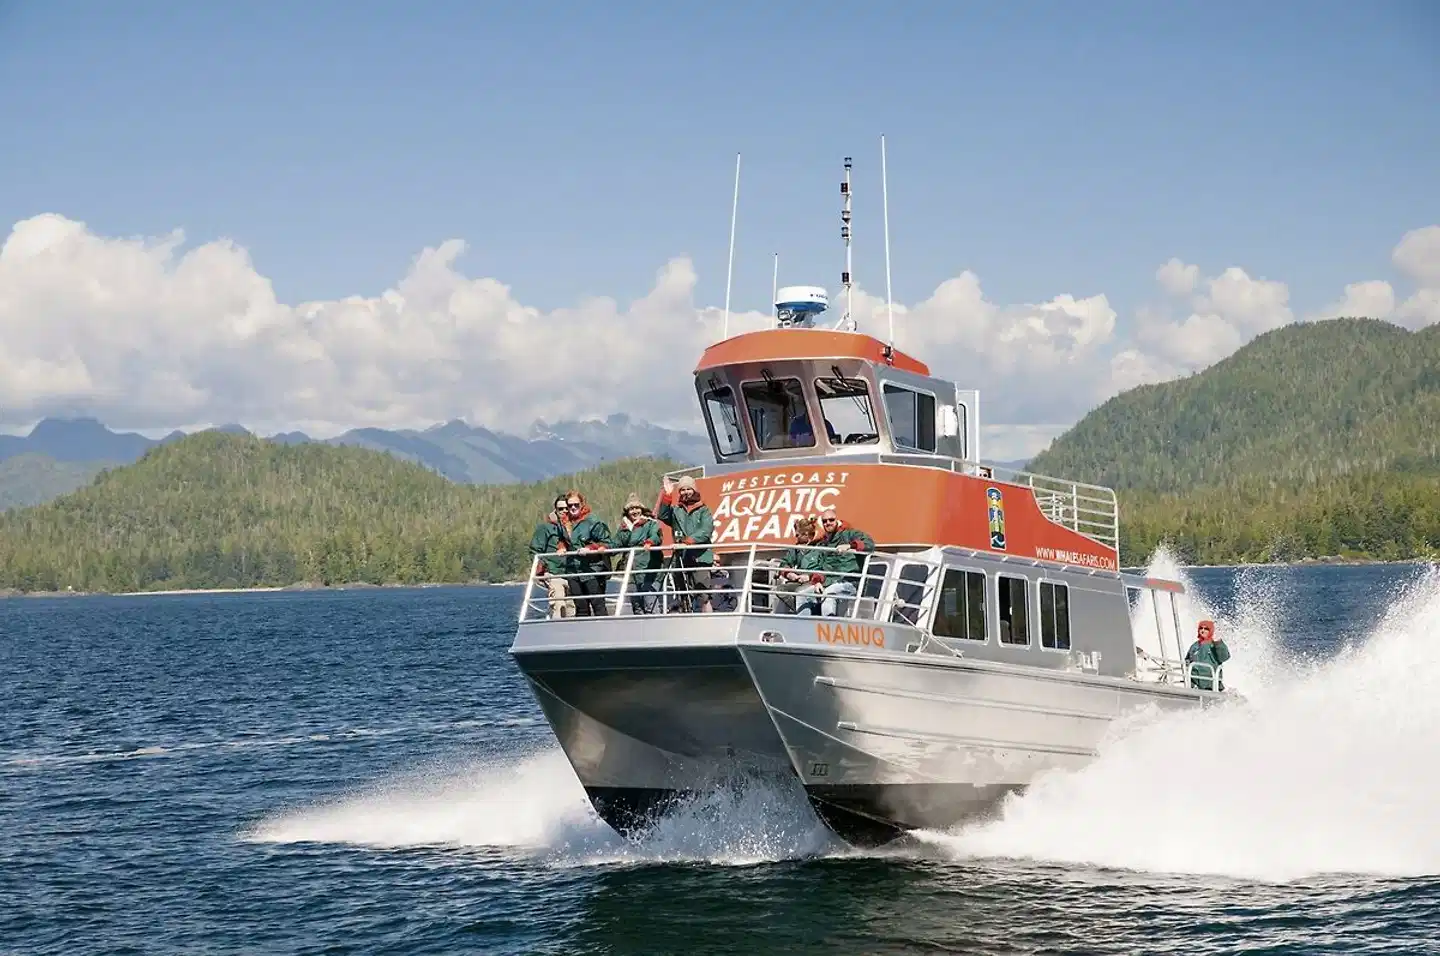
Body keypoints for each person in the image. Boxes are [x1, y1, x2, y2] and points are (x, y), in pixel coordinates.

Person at [802, 508, 875, 617]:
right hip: (829, 581)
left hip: (850, 582)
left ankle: (828, 628)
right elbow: (819, 565)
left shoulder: (850, 534)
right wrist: (817, 581)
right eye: (825, 521)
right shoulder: (824, 544)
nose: (828, 523)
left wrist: (851, 545)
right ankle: (802, 627)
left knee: (829, 593)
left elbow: (870, 544)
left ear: (837, 520)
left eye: (831, 520)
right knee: (802, 594)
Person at [657, 474, 715, 613]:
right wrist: (667, 495)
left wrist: (688, 542)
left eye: (688, 489)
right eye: (682, 490)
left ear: (694, 490)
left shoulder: (703, 510)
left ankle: (708, 623)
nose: (685, 492)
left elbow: (706, 530)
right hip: (681, 558)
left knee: (703, 595)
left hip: (700, 557)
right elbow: (663, 516)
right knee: (682, 593)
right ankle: (686, 620)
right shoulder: (676, 510)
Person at [562, 490, 612, 617]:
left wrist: (590, 548)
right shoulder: (564, 523)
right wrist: (561, 547)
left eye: (576, 505)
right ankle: (582, 635)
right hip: (573, 571)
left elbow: (607, 542)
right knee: (580, 607)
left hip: (592, 570)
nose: (573, 508)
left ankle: (604, 632)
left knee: (598, 605)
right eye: (570, 505)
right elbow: (562, 540)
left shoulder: (593, 521)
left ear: (582, 504)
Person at [613, 493, 664, 614]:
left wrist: (650, 542)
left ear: (642, 509)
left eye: (637, 508)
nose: (634, 511)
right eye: (631, 509)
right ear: (627, 511)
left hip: (649, 570)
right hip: (631, 572)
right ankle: (640, 631)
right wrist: (601, 548)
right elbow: (615, 544)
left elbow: (656, 536)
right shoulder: (624, 528)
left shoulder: (650, 523)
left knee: (650, 604)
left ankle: (655, 630)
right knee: (637, 606)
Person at [529, 495, 575, 619]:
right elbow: (535, 550)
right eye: (561, 509)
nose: (564, 511)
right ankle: (557, 630)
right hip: (554, 573)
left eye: (567, 508)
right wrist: (543, 570)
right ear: (555, 510)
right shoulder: (545, 528)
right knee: (559, 606)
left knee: (572, 608)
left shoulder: (575, 527)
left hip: (572, 574)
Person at [773, 517, 824, 614]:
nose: (796, 537)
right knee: (781, 589)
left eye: (797, 535)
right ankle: (799, 609)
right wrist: (788, 573)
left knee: (800, 591)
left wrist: (809, 577)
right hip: (799, 581)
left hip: (814, 582)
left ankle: (812, 611)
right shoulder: (796, 549)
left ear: (806, 534)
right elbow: (784, 563)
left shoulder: (820, 548)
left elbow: (824, 567)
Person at [1184, 619, 1231, 691]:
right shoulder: (1195, 646)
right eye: (1201, 628)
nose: (1202, 630)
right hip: (1194, 685)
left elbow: (1224, 657)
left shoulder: (1215, 644)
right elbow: (1187, 660)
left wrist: (1218, 643)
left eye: (1206, 629)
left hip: (1210, 685)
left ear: (1211, 630)